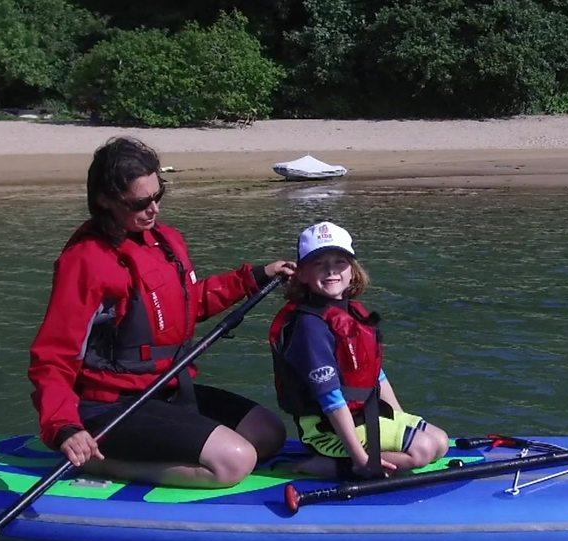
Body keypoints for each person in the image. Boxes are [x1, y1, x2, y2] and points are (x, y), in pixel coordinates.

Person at [29, 136, 294, 488]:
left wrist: (256, 277)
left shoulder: (165, 240)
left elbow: (188, 305)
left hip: (165, 393)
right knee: (236, 461)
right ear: (104, 201)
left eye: (158, 195)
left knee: (269, 432)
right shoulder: (85, 262)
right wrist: (64, 427)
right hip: (109, 408)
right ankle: (101, 464)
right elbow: (53, 357)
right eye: (140, 203)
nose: (153, 210)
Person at [268, 221, 448, 478]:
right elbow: (329, 398)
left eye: (339, 262)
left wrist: (398, 417)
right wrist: (361, 459)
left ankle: (367, 455)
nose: (331, 271)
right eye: (319, 263)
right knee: (422, 450)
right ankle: (331, 465)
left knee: (439, 441)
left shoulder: (353, 313)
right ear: (303, 274)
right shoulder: (309, 326)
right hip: (326, 430)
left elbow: (376, 374)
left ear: (352, 271)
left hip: (362, 415)